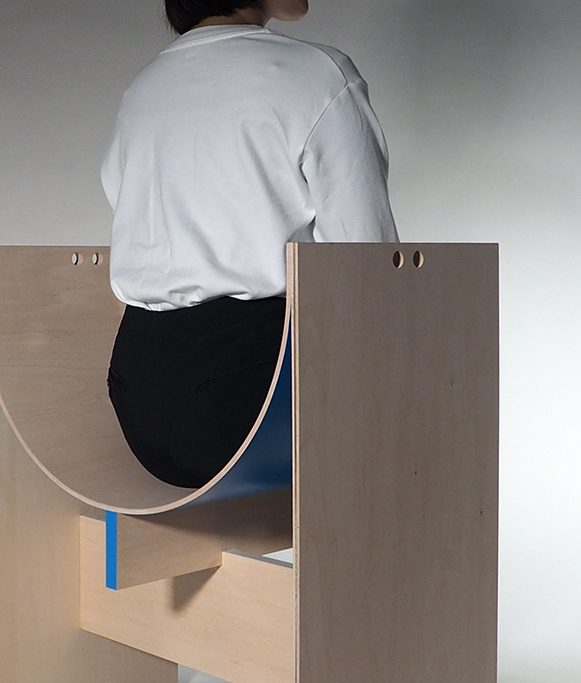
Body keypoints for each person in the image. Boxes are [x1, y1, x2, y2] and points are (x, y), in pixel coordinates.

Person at [102, 0, 398, 488]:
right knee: (431, 376)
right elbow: (367, 262)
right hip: (247, 399)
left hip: (137, 401)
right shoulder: (317, 73)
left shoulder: (144, 86)